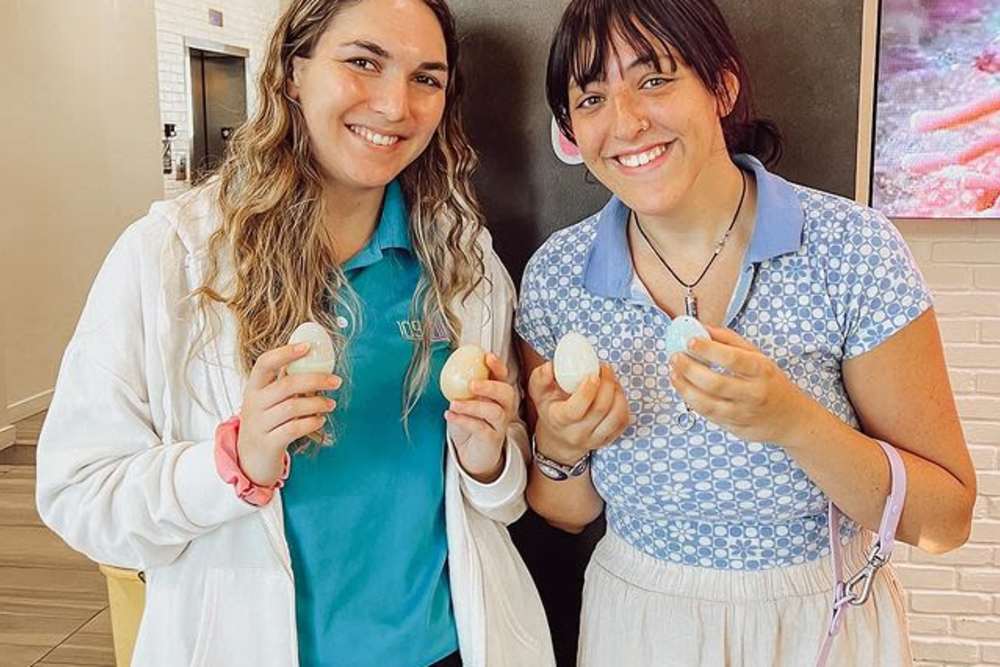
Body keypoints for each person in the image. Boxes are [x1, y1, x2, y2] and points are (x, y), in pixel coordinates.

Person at [35, 0, 554, 665]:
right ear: (291, 72)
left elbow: (502, 501)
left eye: (427, 77)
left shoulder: (464, 260)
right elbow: (79, 495)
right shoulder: (169, 256)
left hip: (443, 647)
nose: (396, 104)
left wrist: (489, 456)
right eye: (363, 62)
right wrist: (232, 466)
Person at [516, 0, 976, 664]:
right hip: (639, 624)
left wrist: (791, 420)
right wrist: (558, 444)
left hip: (818, 619)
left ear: (722, 87)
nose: (625, 121)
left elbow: (943, 519)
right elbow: (568, 510)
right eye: (591, 98)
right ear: (570, 131)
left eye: (654, 79)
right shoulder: (559, 276)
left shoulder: (850, 249)